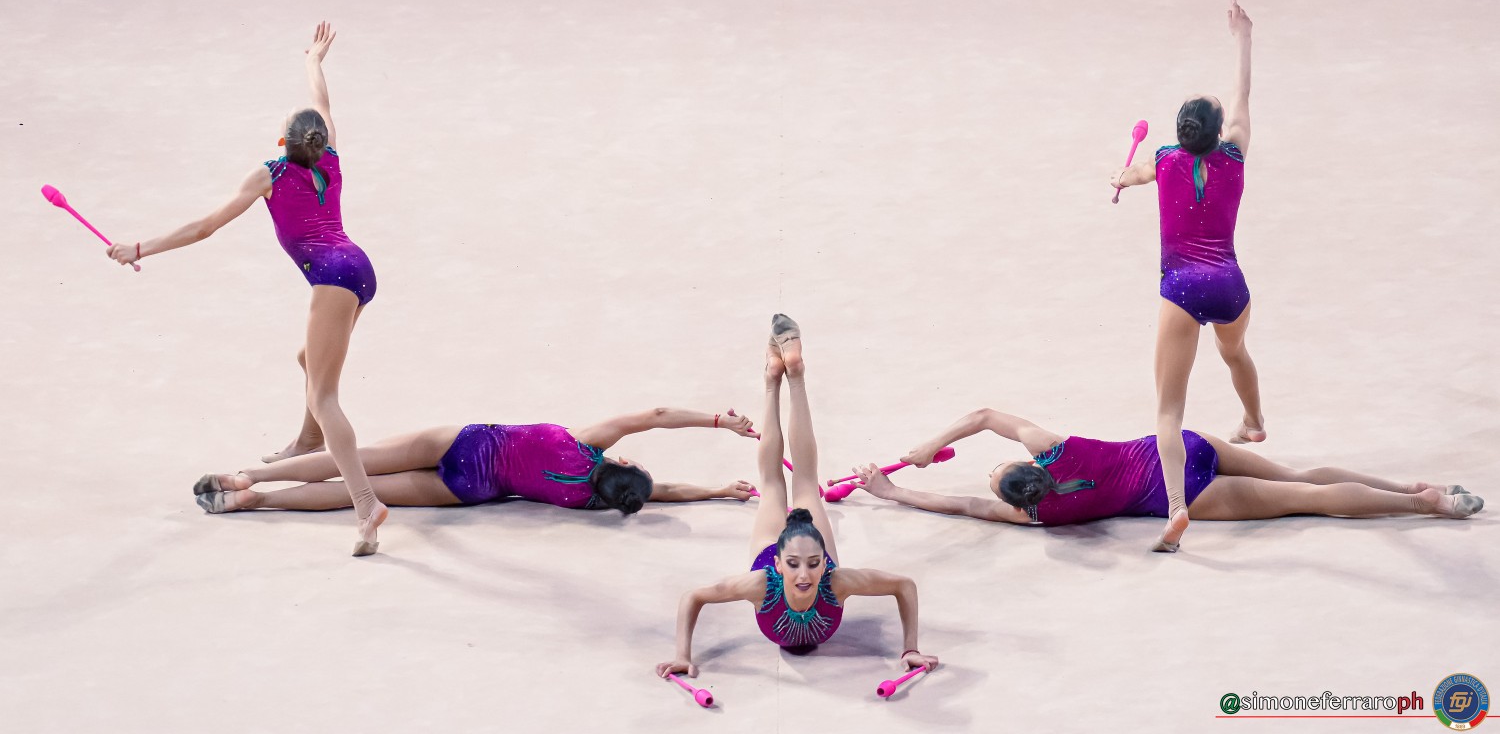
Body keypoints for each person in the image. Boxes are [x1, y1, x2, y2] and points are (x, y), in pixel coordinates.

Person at [107, 22, 388, 556]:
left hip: (333, 276)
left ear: (284, 142)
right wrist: (313, 61)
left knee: (325, 395)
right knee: (309, 359)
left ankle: (366, 504)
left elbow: (204, 228)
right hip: (359, 267)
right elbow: (322, 103)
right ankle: (307, 441)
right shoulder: (330, 154)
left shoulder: (271, 174)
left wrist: (140, 248)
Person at [655, 316, 939, 681]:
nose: (804, 574)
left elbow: (904, 586)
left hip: (777, 549)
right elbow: (692, 597)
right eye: (793, 564)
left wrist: (911, 648)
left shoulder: (819, 582)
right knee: (800, 481)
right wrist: (681, 655)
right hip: (776, 553)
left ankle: (775, 379)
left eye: (812, 564)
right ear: (778, 564)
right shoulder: (798, 583)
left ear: (823, 564)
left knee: (776, 483)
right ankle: (791, 375)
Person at [1110, 0, 1265, 551]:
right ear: (1220, 132)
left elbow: (1136, 172)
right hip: (1231, 284)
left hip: (1182, 290)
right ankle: (1254, 420)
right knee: (1234, 353)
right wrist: (1243, 37)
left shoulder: (1164, 160)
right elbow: (1243, 95)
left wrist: (1122, 179)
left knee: (1168, 411)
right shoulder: (1235, 154)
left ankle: (1176, 509)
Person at [851, 407, 1483, 527]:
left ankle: (1422, 504)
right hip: (1183, 447)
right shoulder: (1050, 447)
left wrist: (891, 490)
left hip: (1186, 492)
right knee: (1298, 477)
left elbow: (961, 505)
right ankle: (1410, 486)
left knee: (1307, 502)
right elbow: (988, 414)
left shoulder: (1040, 516)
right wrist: (930, 445)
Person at [192, 405, 761, 513]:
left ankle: (250, 475)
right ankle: (253, 502)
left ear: (623, 462)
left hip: (465, 444)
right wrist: (717, 490)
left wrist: (719, 420)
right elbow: (664, 492)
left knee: (356, 461)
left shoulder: (585, 442)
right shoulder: (586, 500)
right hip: (472, 488)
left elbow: (654, 414)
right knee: (355, 493)